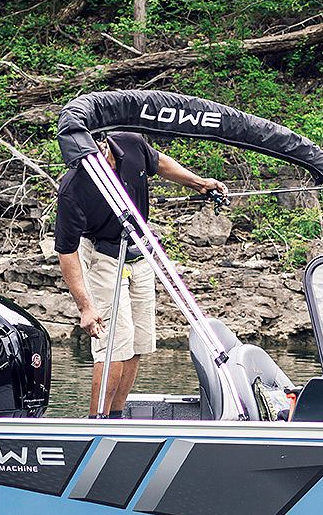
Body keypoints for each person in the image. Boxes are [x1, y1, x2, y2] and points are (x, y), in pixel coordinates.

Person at [54, 132, 227, 418]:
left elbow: (159, 162)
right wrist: (85, 307)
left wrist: (199, 183)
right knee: (114, 346)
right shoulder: (73, 186)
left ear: (104, 141)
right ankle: (97, 424)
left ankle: (117, 418)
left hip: (140, 253)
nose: (90, 156)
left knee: (137, 344)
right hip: (103, 257)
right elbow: (66, 251)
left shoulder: (130, 144)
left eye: (95, 147)